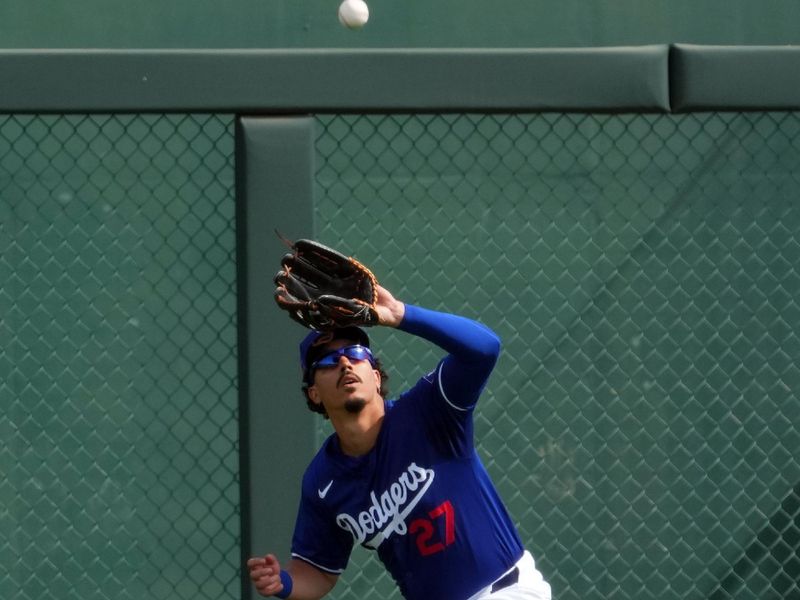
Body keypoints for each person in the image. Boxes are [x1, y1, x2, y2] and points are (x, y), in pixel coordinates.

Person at [247, 285, 552, 600]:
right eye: (327, 361)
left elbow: (485, 348)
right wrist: (284, 582)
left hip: (507, 590)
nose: (344, 363)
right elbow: (318, 572)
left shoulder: (428, 412)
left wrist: (400, 315)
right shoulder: (324, 482)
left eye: (354, 353)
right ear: (313, 393)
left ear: (376, 377)